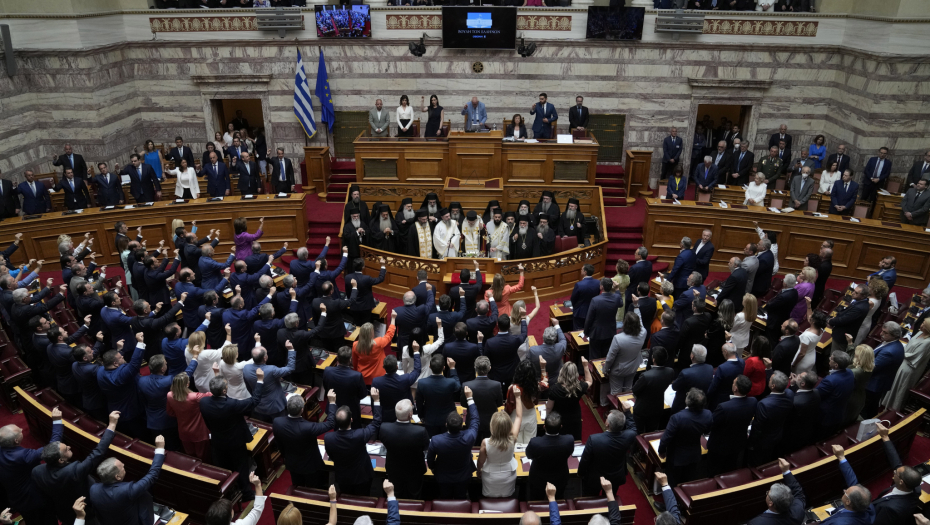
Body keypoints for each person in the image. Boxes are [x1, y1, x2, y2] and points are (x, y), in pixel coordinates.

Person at [32, 411, 119, 525]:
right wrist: (112, 425)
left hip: (64, 513)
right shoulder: (74, 471)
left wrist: (57, 421)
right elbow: (98, 452)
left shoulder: (36, 471)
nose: (69, 446)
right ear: (61, 460)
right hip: (87, 513)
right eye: (66, 450)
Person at [200, 372, 265, 500]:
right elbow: (254, 401)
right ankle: (246, 493)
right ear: (224, 390)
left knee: (224, 467)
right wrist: (260, 381)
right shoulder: (232, 405)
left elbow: (209, 420)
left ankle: (231, 492)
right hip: (235, 442)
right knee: (241, 466)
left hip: (217, 441)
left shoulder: (204, 402)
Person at [0, 407, 64, 525]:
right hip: (34, 500)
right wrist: (57, 421)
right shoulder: (22, 456)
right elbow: (54, 447)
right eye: (19, 431)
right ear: (16, 440)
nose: (21, 428)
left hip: (16, 499)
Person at [89, 434, 166, 525]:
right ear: (117, 477)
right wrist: (160, 449)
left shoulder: (93, 489)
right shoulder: (126, 490)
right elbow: (152, 476)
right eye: (122, 468)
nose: (124, 466)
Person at [272, 390, 336, 490]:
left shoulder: (277, 422)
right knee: (314, 490)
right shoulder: (308, 427)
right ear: (302, 410)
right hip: (311, 466)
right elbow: (330, 423)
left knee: (298, 487)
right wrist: (332, 402)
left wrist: (286, 456)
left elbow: (279, 444)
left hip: (292, 463)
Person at [324, 386, 382, 496]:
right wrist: (377, 401)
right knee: (364, 498)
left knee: (346, 496)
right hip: (362, 476)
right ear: (351, 419)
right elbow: (376, 422)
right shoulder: (360, 434)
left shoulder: (328, 438)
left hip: (343, 476)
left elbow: (331, 455)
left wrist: (331, 403)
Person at [138, 352, 199, 451]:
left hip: (152, 421)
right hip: (168, 421)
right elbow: (185, 376)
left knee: (159, 446)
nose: (167, 364)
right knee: (174, 447)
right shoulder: (168, 380)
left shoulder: (141, 381)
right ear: (162, 369)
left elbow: (142, 399)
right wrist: (195, 359)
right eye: (165, 363)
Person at [427, 386, 479, 498]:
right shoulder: (469, 437)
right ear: (462, 425)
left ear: (446, 425)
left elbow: (430, 460)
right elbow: (475, 419)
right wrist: (470, 399)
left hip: (443, 477)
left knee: (444, 497)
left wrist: (434, 469)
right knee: (461, 497)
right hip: (463, 476)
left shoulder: (436, 440)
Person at [659, 388, 712, 486]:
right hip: (694, 454)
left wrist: (661, 450)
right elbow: (707, 431)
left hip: (676, 455)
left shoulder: (677, 418)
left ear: (687, 401)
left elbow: (666, 438)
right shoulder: (708, 414)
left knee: (672, 480)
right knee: (687, 479)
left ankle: (670, 500)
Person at [379, 399, 431, 500]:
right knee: (415, 494)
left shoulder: (384, 428)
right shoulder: (420, 431)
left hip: (394, 469)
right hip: (415, 470)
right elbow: (426, 447)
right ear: (410, 415)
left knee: (396, 494)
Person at [708, 375, 756, 474]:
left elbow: (711, 424)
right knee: (731, 468)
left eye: (733, 382)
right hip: (738, 443)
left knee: (714, 470)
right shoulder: (753, 401)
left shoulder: (724, 407)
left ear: (735, 388)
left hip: (719, 446)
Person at [477, 397, 522, 498]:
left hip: (490, 476)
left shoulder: (485, 442)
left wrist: (478, 470)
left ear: (492, 426)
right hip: (508, 476)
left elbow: (480, 462)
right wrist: (518, 397)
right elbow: (519, 417)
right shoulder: (513, 438)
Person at [747, 371, 793, 465]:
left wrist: (751, 444)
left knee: (757, 461)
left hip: (763, 440)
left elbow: (758, 427)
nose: (768, 379)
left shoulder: (764, 404)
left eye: (770, 379)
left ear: (773, 386)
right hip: (778, 434)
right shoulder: (790, 394)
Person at [165, 371, 214, 461]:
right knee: (203, 457)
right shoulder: (194, 397)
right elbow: (212, 394)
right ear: (187, 384)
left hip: (183, 431)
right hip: (199, 432)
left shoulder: (170, 395)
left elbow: (170, 412)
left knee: (189, 456)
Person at [884, 318, 930, 411]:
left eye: (924, 324)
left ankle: (893, 410)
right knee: (893, 385)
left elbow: (915, 356)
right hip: (902, 360)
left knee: (900, 388)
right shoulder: (919, 333)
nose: (921, 325)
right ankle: (886, 404)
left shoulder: (928, 342)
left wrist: (898, 351)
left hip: (908, 367)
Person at [526, 412, 574, 500]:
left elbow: (529, 455)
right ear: (561, 427)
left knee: (536, 500)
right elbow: (570, 452)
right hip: (560, 479)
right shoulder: (569, 440)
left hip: (538, 479)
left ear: (544, 427)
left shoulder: (535, 442)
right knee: (559, 500)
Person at [824, 444, 876, 524]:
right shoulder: (867, 506)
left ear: (848, 502)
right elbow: (853, 483)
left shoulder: (839, 523)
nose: (844, 490)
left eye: (845, 492)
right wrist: (841, 457)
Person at [861, 322, 904, 418]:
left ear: (894, 335)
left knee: (864, 409)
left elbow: (871, 368)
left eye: (885, 332)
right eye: (882, 331)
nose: (881, 334)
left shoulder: (889, 352)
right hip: (877, 383)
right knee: (871, 408)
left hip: (872, 385)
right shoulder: (894, 343)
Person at [746, 458, 806, 525]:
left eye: (768, 493)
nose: (767, 492)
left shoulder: (757, 523)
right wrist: (786, 471)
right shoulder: (797, 512)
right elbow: (798, 493)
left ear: (771, 503)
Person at [604, 307, 647, 400]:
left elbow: (610, 358)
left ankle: (616, 413)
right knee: (628, 390)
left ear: (625, 324)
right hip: (633, 367)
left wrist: (605, 370)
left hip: (618, 370)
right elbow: (641, 322)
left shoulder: (618, 338)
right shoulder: (643, 333)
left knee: (616, 393)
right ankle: (626, 411)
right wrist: (636, 307)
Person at [417, 354, 462, 436]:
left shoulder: (422, 383)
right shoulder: (450, 382)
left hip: (429, 419)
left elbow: (419, 403)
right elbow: (458, 386)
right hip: (448, 420)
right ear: (444, 368)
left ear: (430, 367)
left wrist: (421, 416)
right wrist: (452, 368)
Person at [632, 347, 675, 432]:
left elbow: (635, 390)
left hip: (642, 409)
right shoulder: (670, 371)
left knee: (638, 432)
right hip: (657, 407)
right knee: (651, 432)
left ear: (653, 359)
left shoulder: (646, 376)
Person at [484, 312, 528, 392]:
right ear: (509, 326)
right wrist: (523, 318)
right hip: (512, 373)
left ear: (497, 325)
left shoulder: (490, 342)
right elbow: (524, 334)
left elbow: (486, 358)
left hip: (496, 375)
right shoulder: (515, 340)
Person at [816, 350, 855, 437]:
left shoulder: (830, 380)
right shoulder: (850, 372)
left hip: (825, 417)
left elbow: (817, 395)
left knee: (820, 437)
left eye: (831, 358)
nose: (829, 359)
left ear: (836, 365)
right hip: (839, 413)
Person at [584, 277, 623, 359]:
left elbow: (589, 318)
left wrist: (586, 332)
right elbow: (621, 303)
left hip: (596, 333)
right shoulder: (616, 298)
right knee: (606, 356)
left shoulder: (595, 300)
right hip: (610, 332)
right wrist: (617, 289)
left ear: (601, 287)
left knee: (594, 357)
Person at [352, 315, 397, 386]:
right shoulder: (378, 343)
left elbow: (354, 362)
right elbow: (389, 334)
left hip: (363, 376)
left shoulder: (355, 345)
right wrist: (393, 318)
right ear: (372, 334)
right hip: (378, 376)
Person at [828, 284, 870, 352]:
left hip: (842, 336)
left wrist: (831, 321)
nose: (853, 293)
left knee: (835, 356)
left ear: (863, 296)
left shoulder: (859, 308)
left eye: (856, 293)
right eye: (854, 290)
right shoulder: (861, 302)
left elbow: (843, 320)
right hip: (842, 332)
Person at [395, 284, 434, 350]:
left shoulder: (396, 311)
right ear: (415, 300)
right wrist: (429, 290)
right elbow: (430, 302)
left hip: (404, 342)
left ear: (403, 300)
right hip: (420, 340)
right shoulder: (421, 309)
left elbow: (393, 329)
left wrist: (394, 340)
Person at [707, 342, 745, 410]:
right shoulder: (742, 362)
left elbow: (714, 386)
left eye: (722, 352)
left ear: (725, 352)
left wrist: (707, 396)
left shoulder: (722, 368)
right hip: (733, 394)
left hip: (720, 398)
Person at [569, 264, 600, 330]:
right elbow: (597, 295)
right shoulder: (598, 282)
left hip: (580, 313)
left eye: (582, 269)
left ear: (585, 272)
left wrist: (576, 307)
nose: (580, 271)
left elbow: (573, 299)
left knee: (577, 332)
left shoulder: (579, 284)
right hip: (592, 311)